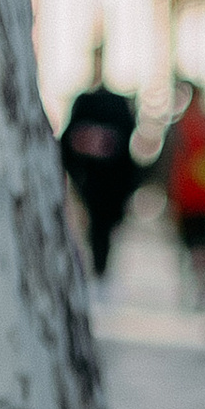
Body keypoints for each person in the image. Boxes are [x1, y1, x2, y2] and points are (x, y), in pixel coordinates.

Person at [57, 53, 139, 279]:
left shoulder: (117, 104)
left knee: (103, 229)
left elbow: (125, 142)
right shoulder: (84, 102)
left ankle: (100, 269)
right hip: (89, 181)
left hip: (111, 183)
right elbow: (68, 141)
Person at [157, 81, 205, 288]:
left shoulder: (180, 126)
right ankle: (201, 281)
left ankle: (197, 281)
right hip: (204, 195)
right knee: (201, 241)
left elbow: (168, 162)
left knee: (192, 241)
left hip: (187, 196)